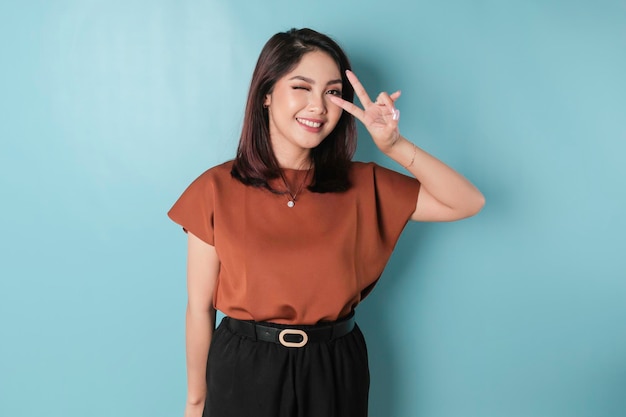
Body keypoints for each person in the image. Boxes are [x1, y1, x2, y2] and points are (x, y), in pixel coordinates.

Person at [168, 27, 484, 417]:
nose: (318, 106)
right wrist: (195, 401)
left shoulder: (363, 184)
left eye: (333, 92)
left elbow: (467, 202)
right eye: (301, 87)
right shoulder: (215, 188)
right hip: (243, 369)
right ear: (266, 94)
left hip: (334, 367)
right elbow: (199, 308)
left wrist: (394, 146)